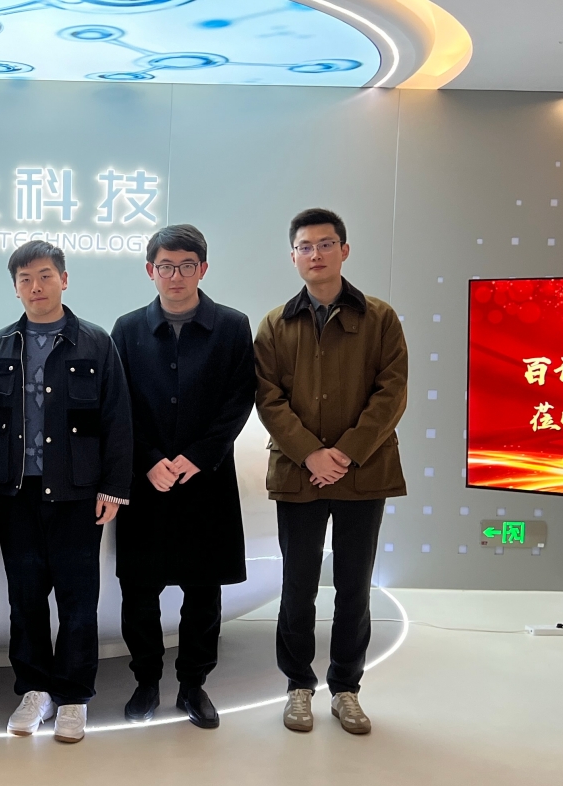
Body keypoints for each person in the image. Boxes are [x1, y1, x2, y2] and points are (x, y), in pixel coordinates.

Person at [255, 208, 407, 736]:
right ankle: (298, 685)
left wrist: (344, 453)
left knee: (354, 586)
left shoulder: (380, 318)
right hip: (299, 475)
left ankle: (346, 688)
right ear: (293, 256)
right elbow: (268, 398)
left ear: (344, 250)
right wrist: (310, 454)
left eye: (325, 244)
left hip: (363, 473)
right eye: (305, 246)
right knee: (297, 586)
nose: (315, 254)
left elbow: (392, 392)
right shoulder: (276, 323)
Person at [0, 239, 132, 744]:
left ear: (64, 280)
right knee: (24, 599)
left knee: (77, 599)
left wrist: (114, 487)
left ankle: (72, 696)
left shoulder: (96, 343)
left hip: (77, 494)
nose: (36, 286)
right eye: (25, 279)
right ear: (15, 288)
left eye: (45, 275)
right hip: (16, 494)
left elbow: (117, 418)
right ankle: (34, 689)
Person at [110, 224, 257, 729]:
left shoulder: (232, 326)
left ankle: (194, 684)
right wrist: (148, 459)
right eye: (166, 266)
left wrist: (199, 455)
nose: (176, 276)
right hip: (146, 480)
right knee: (139, 590)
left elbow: (240, 398)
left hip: (206, 480)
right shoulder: (128, 328)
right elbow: (119, 403)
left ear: (203, 269)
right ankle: (146, 681)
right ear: (150, 270)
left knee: (203, 590)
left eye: (187, 266)